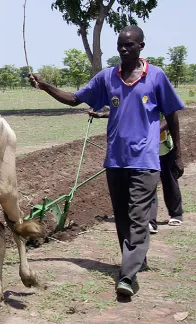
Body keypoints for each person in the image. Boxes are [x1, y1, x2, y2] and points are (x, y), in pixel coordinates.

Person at [30, 25, 184, 298]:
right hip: (115, 160)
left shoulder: (156, 76)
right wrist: (45, 86)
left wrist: (177, 156)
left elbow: (171, 115)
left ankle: (127, 276)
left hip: (145, 160)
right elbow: (74, 99)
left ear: (141, 46)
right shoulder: (107, 77)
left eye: (130, 45)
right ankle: (137, 260)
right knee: (123, 219)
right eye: (120, 45)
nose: (124, 50)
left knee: (138, 217)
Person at [149, 114, 184, 232]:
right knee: (148, 185)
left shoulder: (161, 101)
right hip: (146, 151)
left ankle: (176, 214)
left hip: (165, 149)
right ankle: (150, 221)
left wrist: (178, 156)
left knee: (170, 182)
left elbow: (170, 120)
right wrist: (102, 114)